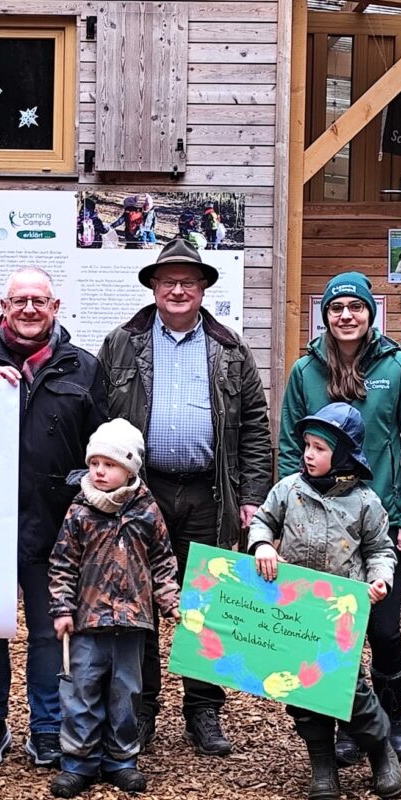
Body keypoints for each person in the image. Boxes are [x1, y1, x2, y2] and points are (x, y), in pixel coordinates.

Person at [99, 238, 272, 755]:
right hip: (140, 494)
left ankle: (203, 710)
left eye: (188, 282)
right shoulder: (122, 343)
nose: (178, 290)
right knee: (142, 599)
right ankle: (143, 707)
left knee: (208, 598)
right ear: (154, 287)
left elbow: (257, 429)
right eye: (168, 281)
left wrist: (253, 495)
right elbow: (99, 419)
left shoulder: (230, 349)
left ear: (202, 290)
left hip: (210, 493)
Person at [278, 271, 401, 765]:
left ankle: (391, 718)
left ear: (370, 313)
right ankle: (341, 718)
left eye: (356, 306)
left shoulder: (398, 364)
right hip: (318, 522)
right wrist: (284, 517)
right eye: (336, 307)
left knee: (383, 630)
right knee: (329, 630)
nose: (346, 315)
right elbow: (289, 447)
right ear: (325, 315)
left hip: (375, 521)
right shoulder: (305, 371)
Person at [0, 266, 107, 769]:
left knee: (50, 632)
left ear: (55, 307)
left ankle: (45, 727)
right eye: (18, 300)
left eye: (38, 301)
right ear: (3, 306)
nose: (28, 309)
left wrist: (78, 491)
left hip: (55, 525)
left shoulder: (82, 368)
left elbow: (100, 448)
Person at [248, 403, 401, 800]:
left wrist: (380, 578)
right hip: (296, 609)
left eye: (319, 448)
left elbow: (380, 549)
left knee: (347, 689)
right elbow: (262, 520)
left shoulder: (365, 502)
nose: (308, 454)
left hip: (340, 613)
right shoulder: (288, 491)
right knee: (301, 688)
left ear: (344, 453)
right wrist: (263, 543)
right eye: (307, 446)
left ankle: (379, 751)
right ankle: (322, 764)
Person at [47, 418, 181, 798]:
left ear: (130, 469)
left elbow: (162, 559)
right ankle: (78, 762)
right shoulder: (79, 512)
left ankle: (121, 760)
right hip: (87, 622)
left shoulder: (147, 511)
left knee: (126, 694)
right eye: (94, 464)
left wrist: (169, 598)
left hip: (132, 622)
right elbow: (62, 564)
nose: (100, 472)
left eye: (109, 465)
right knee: (80, 690)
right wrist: (61, 608)